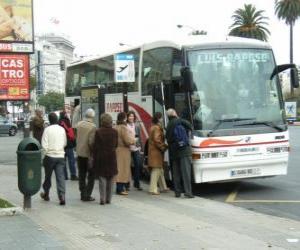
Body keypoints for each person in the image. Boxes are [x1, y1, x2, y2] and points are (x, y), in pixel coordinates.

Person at [165, 108, 194, 198]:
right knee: (186, 173)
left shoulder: (168, 125)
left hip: (173, 152)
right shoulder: (179, 121)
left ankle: (177, 192)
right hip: (184, 151)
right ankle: (188, 192)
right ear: (175, 113)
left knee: (176, 173)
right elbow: (190, 126)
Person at [40, 112, 67, 205]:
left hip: (50, 156)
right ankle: (62, 196)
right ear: (57, 119)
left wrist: (46, 153)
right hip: (60, 156)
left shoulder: (47, 130)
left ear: (49, 120)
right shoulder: (62, 129)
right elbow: (64, 143)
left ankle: (46, 194)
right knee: (60, 177)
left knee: (48, 177)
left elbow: (44, 144)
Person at [92, 113, 118, 205]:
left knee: (102, 178)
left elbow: (95, 146)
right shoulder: (115, 132)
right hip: (112, 157)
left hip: (101, 157)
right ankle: (109, 199)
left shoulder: (98, 132)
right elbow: (116, 145)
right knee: (111, 178)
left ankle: (102, 198)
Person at [75, 108, 96, 201]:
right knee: (91, 175)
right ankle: (87, 194)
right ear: (93, 116)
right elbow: (91, 142)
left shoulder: (79, 124)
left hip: (79, 153)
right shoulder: (93, 127)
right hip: (88, 154)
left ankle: (82, 193)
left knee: (81, 174)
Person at [115, 112, 136, 195]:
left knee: (119, 169)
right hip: (124, 151)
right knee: (123, 170)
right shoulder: (123, 127)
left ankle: (119, 188)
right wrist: (134, 140)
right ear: (124, 119)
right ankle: (120, 189)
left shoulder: (116, 127)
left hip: (117, 150)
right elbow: (127, 140)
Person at [148, 112, 169, 195]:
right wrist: (163, 147)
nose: (162, 119)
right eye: (161, 118)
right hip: (156, 151)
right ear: (159, 119)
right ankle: (152, 189)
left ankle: (163, 187)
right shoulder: (157, 128)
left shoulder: (153, 127)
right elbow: (157, 140)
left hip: (153, 151)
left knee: (160, 169)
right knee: (156, 169)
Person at [59, 111, 78, 181]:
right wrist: (74, 142)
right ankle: (73, 175)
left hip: (61, 144)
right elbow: (71, 133)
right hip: (68, 144)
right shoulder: (67, 121)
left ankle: (65, 176)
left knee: (63, 161)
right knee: (71, 160)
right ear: (65, 115)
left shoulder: (58, 122)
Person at [127, 111, 143, 191]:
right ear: (127, 117)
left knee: (138, 165)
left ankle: (137, 183)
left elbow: (140, 137)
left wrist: (141, 148)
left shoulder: (137, 125)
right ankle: (127, 184)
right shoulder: (125, 126)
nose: (131, 118)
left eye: (132, 116)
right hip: (128, 148)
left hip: (136, 148)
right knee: (127, 166)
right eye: (130, 116)